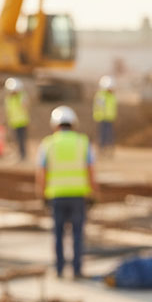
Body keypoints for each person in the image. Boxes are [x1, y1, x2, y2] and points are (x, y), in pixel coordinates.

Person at [35, 105, 98, 279]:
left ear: (55, 125)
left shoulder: (48, 144)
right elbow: (91, 170)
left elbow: (41, 172)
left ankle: (59, 269)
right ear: (74, 124)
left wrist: (41, 193)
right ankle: (77, 270)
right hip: (78, 196)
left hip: (56, 195)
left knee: (58, 234)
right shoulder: (83, 142)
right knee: (78, 234)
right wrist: (93, 193)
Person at [3, 77, 29, 160]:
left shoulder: (21, 96)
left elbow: (25, 105)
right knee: (14, 140)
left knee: (21, 140)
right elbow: (8, 110)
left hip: (22, 122)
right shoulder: (9, 99)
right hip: (13, 122)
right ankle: (17, 154)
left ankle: (23, 155)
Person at [93, 75, 117, 153]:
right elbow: (98, 107)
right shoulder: (101, 96)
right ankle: (101, 148)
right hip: (102, 118)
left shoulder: (112, 96)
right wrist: (98, 116)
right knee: (102, 135)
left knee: (109, 135)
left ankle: (108, 148)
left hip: (109, 118)